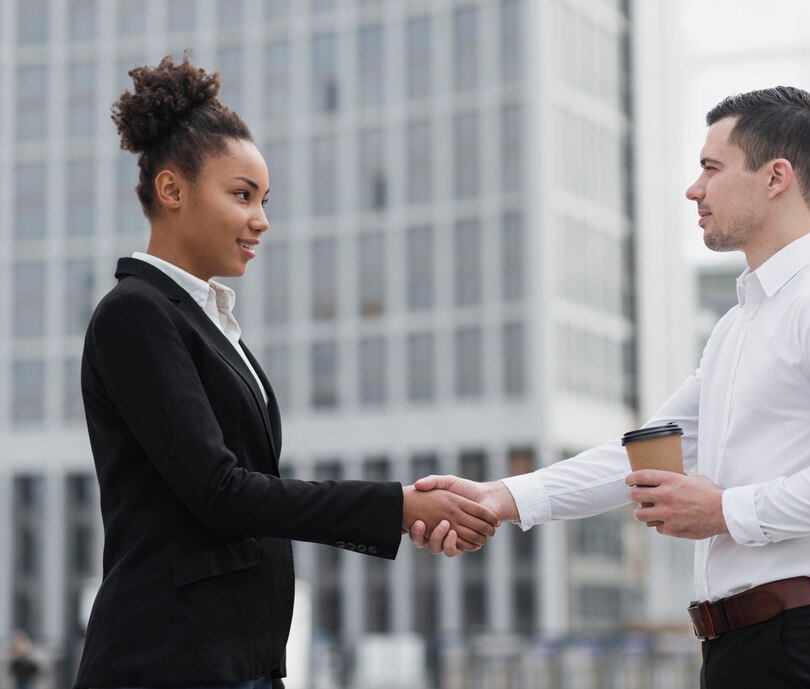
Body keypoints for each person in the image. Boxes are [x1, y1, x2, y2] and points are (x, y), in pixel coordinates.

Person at [410, 86, 810, 689]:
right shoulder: (736, 327)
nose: (693, 189)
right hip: (737, 649)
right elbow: (644, 455)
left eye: (710, 168)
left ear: (776, 176)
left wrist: (724, 509)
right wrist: (499, 498)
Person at [73, 54, 498, 689]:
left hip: (242, 662)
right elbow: (220, 492)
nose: (262, 220)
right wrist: (396, 504)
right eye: (242, 196)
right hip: (165, 660)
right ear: (171, 190)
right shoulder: (134, 314)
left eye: (264, 200)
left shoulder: (211, 321)